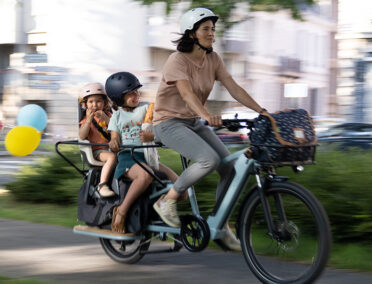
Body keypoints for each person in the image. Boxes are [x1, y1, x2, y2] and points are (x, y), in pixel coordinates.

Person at [152, 7, 268, 251]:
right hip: (168, 122)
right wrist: (206, 115)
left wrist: (262, 111)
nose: (211, 33)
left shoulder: (213, 59)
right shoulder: (177, 60)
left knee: (231, 168)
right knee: (209, 160)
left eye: (213, 29)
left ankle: (220, 224)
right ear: (192, 33)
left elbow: (233, 87)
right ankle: (168, 201)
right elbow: (186, 93)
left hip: (193, 122)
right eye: (206, 29)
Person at [105, 71, 180, 234]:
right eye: (130, 93)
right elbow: (114, 137)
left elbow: (161, 127)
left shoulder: (147, 108)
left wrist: (151, 135)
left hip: (148, 156)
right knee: (145, 175)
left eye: (137, 91)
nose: (136, 95)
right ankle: (122, 211)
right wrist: (114, 141)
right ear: (118, 97)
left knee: (181, 185)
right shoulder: (116, 116)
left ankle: (161, 204)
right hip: (128, 158)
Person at [79, 82, 116, 198]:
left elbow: (116, 129)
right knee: (111, 157)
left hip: (112, 148)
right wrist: (89, 120)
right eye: (91, 102)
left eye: (98, 101)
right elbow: (82, 136)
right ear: (85, 104)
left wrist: (105, 117)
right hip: (97, 151)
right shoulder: (86, 120)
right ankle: (102, 185)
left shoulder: (109, 116)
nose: (95, 105)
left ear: (104, 103)